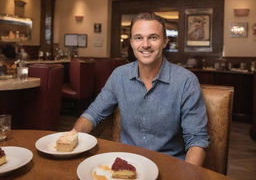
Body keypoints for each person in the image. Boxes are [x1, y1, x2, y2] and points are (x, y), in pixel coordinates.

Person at [73, 12, 209, 166]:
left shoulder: (186, 81)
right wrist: (71, 137)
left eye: (153, 37)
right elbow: (93, 114)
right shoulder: (119, 75)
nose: (145, 45)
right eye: (138, 38)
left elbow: (196, 139)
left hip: (169, 166)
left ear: (164, 42)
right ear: (131, 43)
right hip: (126, 164)